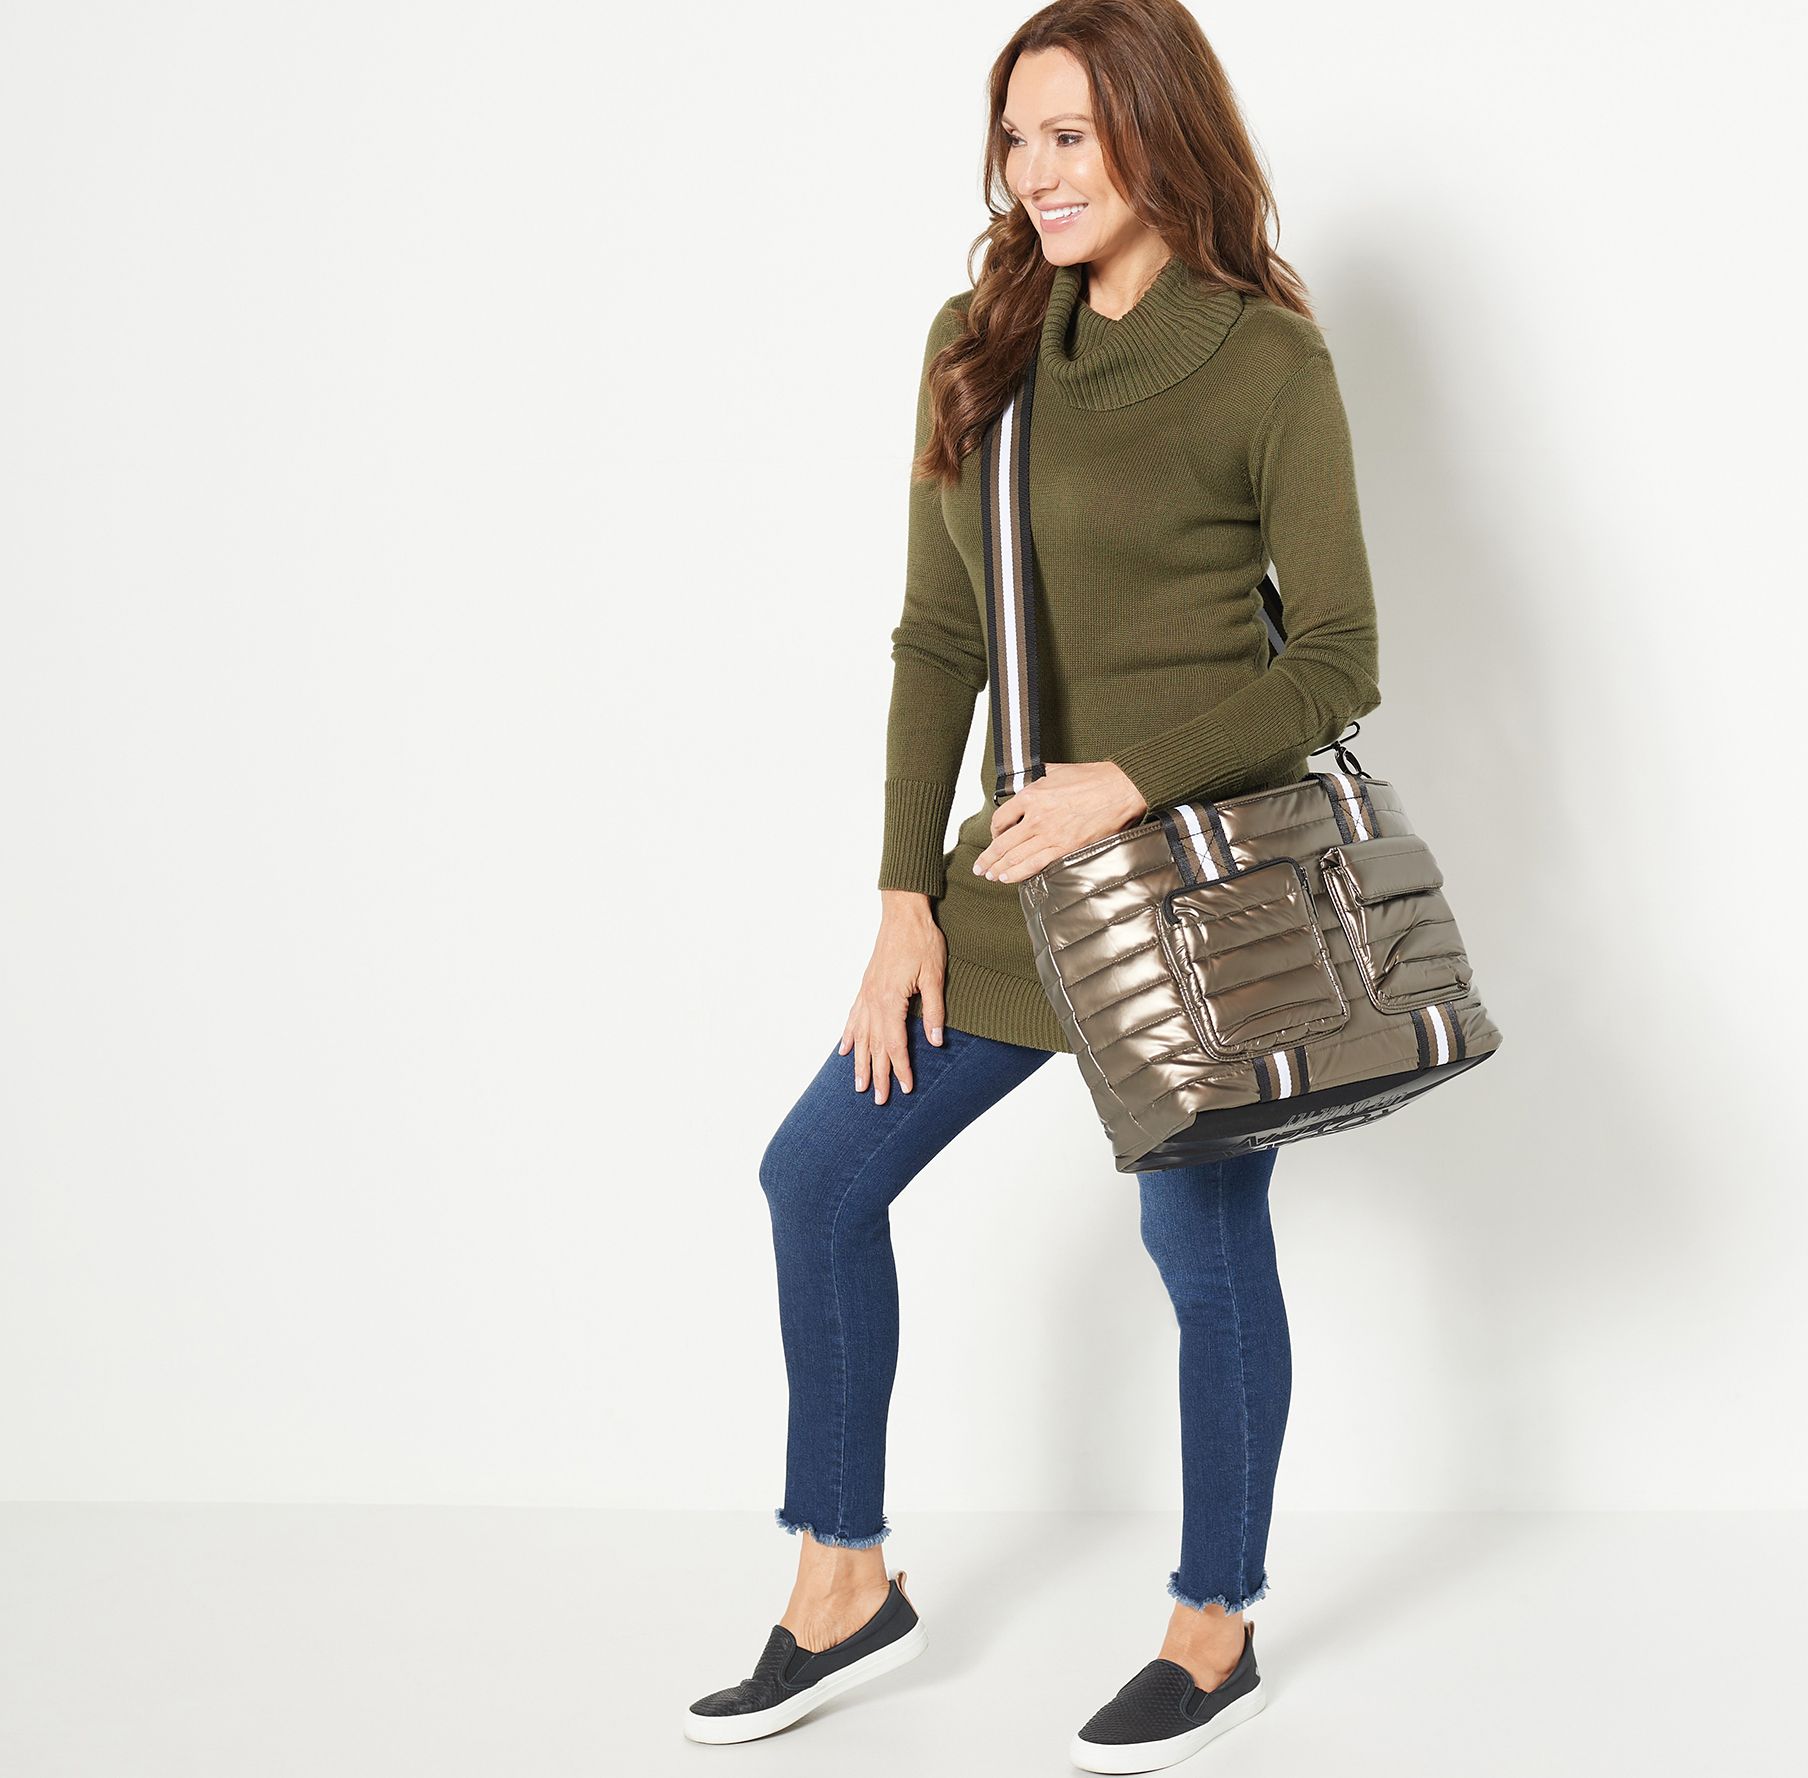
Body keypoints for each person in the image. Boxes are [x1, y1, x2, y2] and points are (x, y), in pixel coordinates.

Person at [684, 1, 1379, 1767]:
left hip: (1195, 895)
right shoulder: (982, 340)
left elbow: (1339, 661)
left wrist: (1123, 783)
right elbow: (939, 636)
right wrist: (902, 897)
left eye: (1071, 134)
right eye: (1016, 137)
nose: (1035, 172)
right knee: (816, 1176)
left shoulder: (1266, 363)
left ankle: (1213, 1624)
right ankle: (842, 1576)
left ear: (1159, 131)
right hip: (1004, 885)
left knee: (1198, 1247)